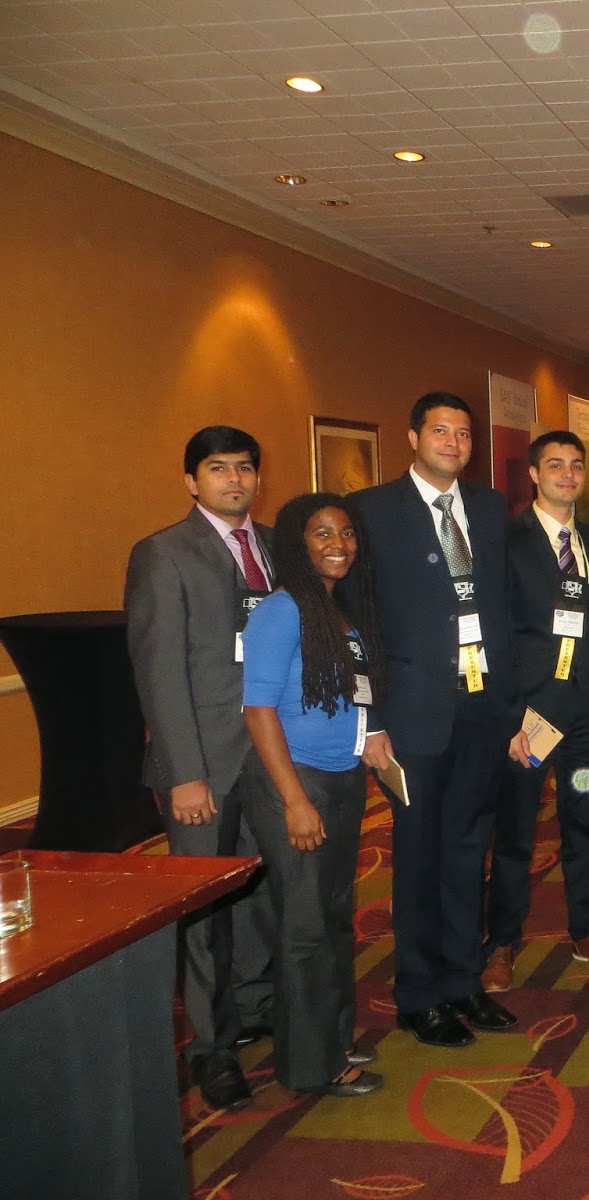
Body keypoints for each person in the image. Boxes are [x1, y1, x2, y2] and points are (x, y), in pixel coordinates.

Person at [344, 392, 518, 1048]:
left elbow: (499, 605)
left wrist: (510, 704)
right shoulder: (372, 512)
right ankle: (419, 994)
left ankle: (463, 980)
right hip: (411, 714)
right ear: (413, 437)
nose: (453, 442)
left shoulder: (490, 508)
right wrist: (370, 719)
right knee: (418, 855)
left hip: (482, 706)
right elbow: (357, 622)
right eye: (440, 431)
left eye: (464, 433)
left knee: (469, 848)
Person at [124, 425, 277, 1112]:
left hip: (271, 755)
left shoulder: (273, 546)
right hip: (202, 764)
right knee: (205, 908)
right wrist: (183, 772)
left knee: (261, 895)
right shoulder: (162, 554)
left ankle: (255, 1008)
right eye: (218, 469)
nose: (234, 480)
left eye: (244, 468)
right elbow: (158, 672)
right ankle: (212, 1050)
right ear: (192, 481)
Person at [240, 493, 384, 1097]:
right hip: (296, 782)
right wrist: (296, 801)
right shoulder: (281, 611)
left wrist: (372, 736)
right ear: (298, 543)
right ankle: (309, 1066)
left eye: (346, 533)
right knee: (304, 929)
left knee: (334, 919)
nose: (338, 545)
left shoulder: (337, 610)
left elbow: (355, 691)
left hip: (343, 776)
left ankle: (333, 1039)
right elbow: (259, 710)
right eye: (322, 533)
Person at [488, 431, 589, 986]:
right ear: (534, 474)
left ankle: (588, 932)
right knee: (516, 834)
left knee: (584, 824)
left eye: (575, 465)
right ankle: (501, 942)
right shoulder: (507, 540)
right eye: (555, 465)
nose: (567, 475)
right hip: (531, 717)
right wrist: (509, 716)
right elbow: (497, 635)